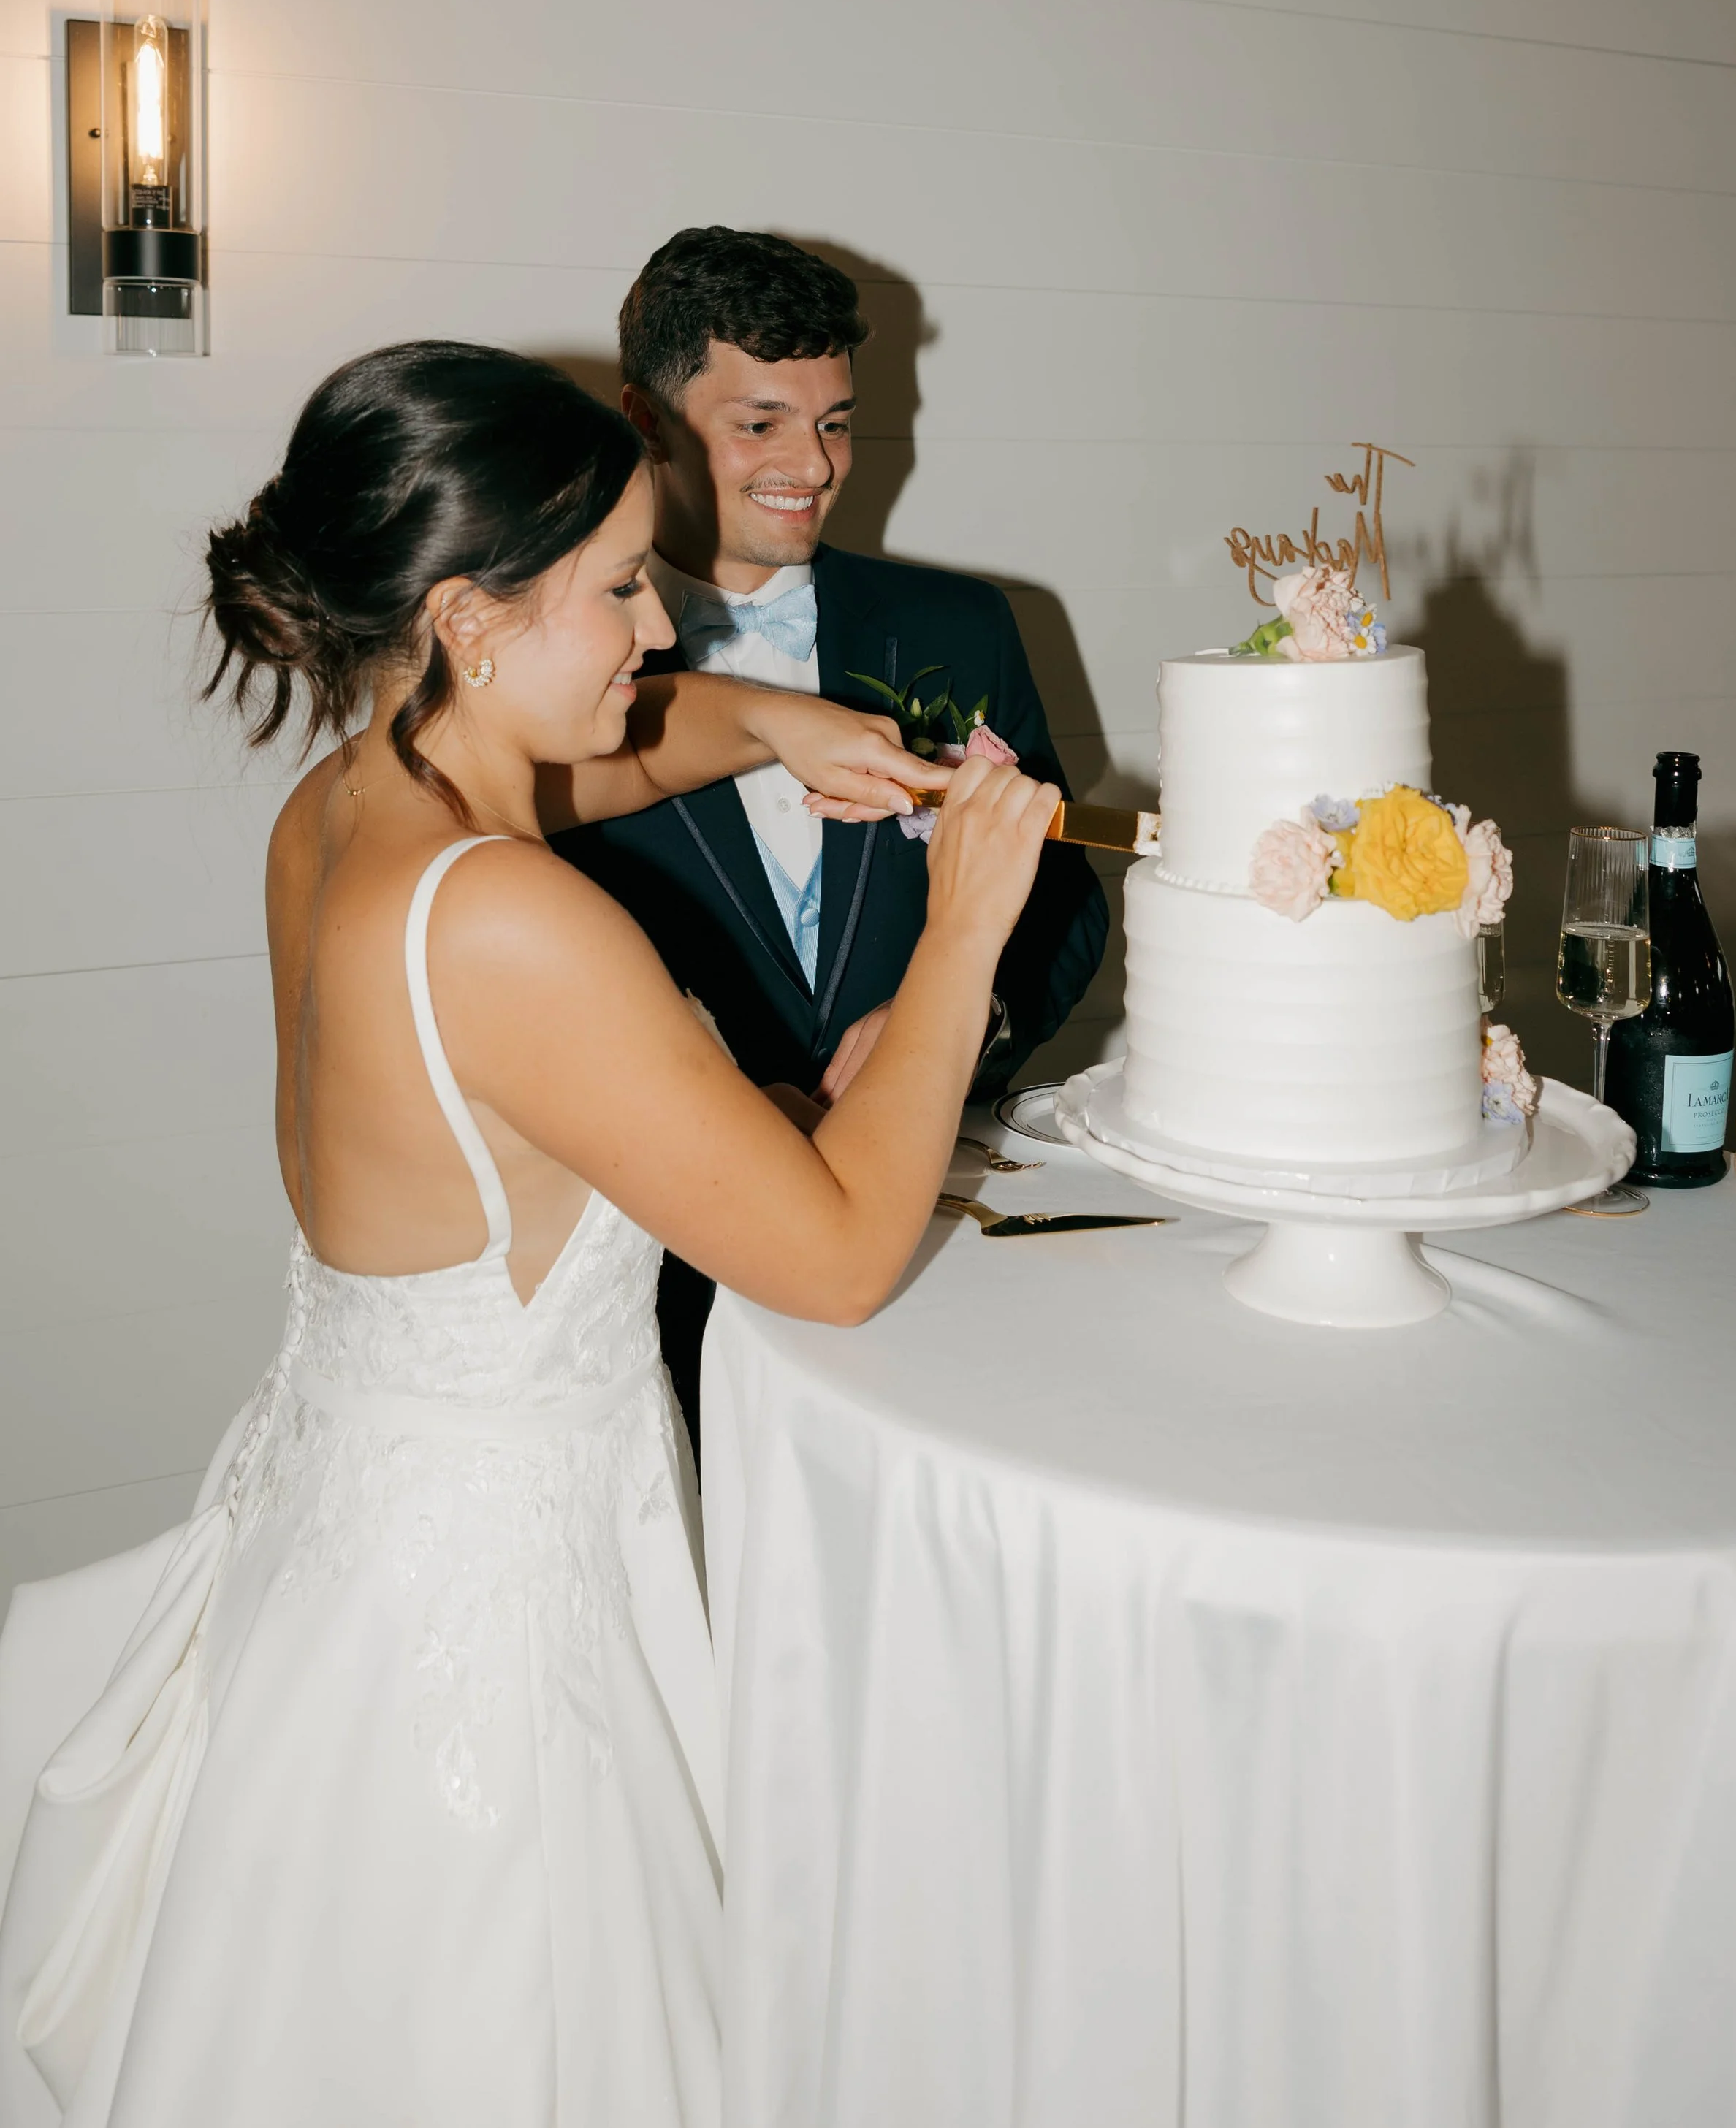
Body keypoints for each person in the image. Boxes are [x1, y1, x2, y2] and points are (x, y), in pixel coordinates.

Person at [0, 340, 1057, 2128]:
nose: (662, 630)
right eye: (623, 587)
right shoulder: (505, 923)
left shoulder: (351, 809)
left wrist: (792, 729)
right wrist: (960, 938)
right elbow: (836, 1256)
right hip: (498, 1612)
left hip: (350, 1531)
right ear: (473, 620)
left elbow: (627, 762)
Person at [556, 227, 1108, 1442]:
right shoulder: (561, 669)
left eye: (838, 422)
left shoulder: (964, 629)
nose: (813, 463)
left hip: (920, 1250)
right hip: (645, 1271)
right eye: (760, 423)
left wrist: (958, 1018)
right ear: (645, 418)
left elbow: (1068, 904)